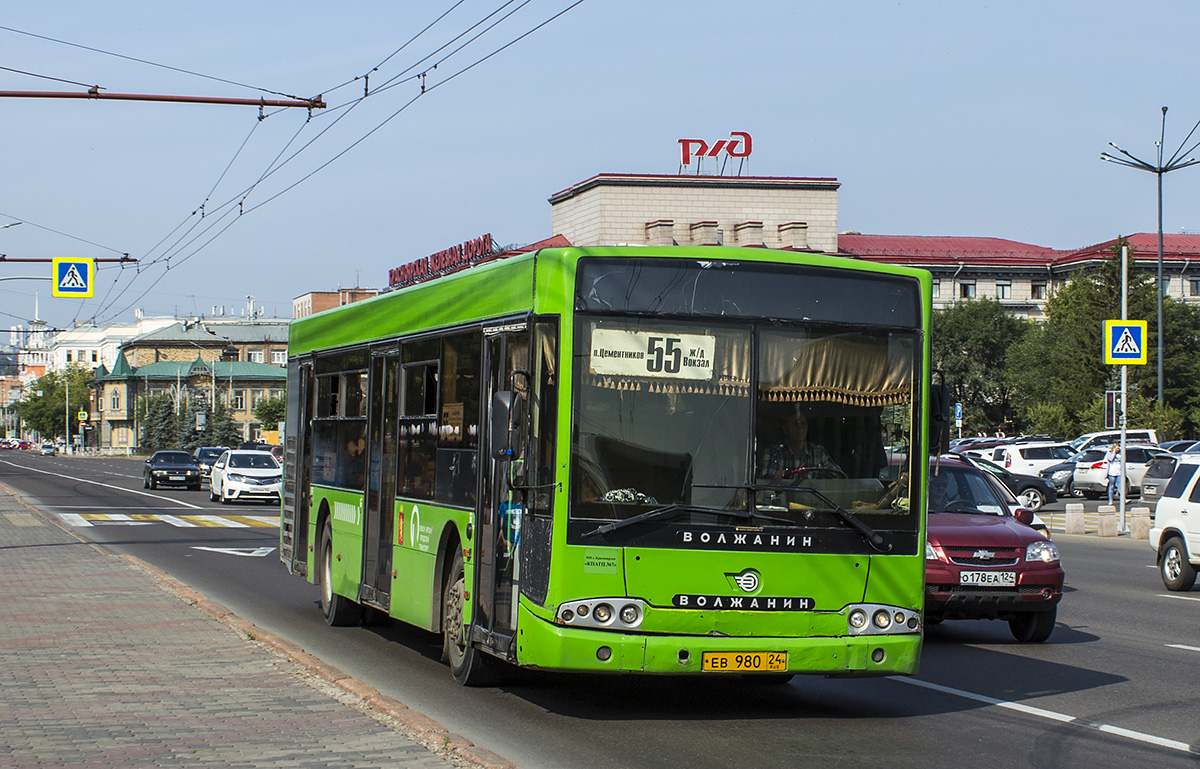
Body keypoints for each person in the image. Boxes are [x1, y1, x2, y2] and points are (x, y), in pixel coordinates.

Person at [758, 403, 842, 479]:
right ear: (786, 429)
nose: (800, 428)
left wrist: (835, 477)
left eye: (803, 423)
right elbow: (766, 480)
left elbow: (839, 475)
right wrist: (777, 477)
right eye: (795, 424)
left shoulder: (818, 452)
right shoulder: (774, 452)